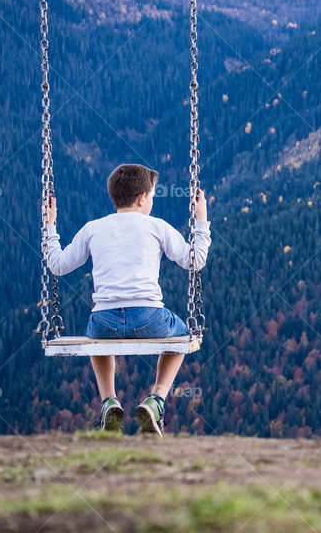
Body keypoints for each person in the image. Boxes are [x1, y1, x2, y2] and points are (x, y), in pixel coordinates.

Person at [42, 163, 211, 435]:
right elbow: (195, 261)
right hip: (150, 319)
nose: (152, 201)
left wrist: (50, 226)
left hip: (103, 320)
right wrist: (201, 220)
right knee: (182, 336)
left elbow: (57, 265)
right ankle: (156, 399)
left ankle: (109, 401)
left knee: (95, 340)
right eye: (153, 196)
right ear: (142, 198)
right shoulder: (157, 226)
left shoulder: (93, 228)